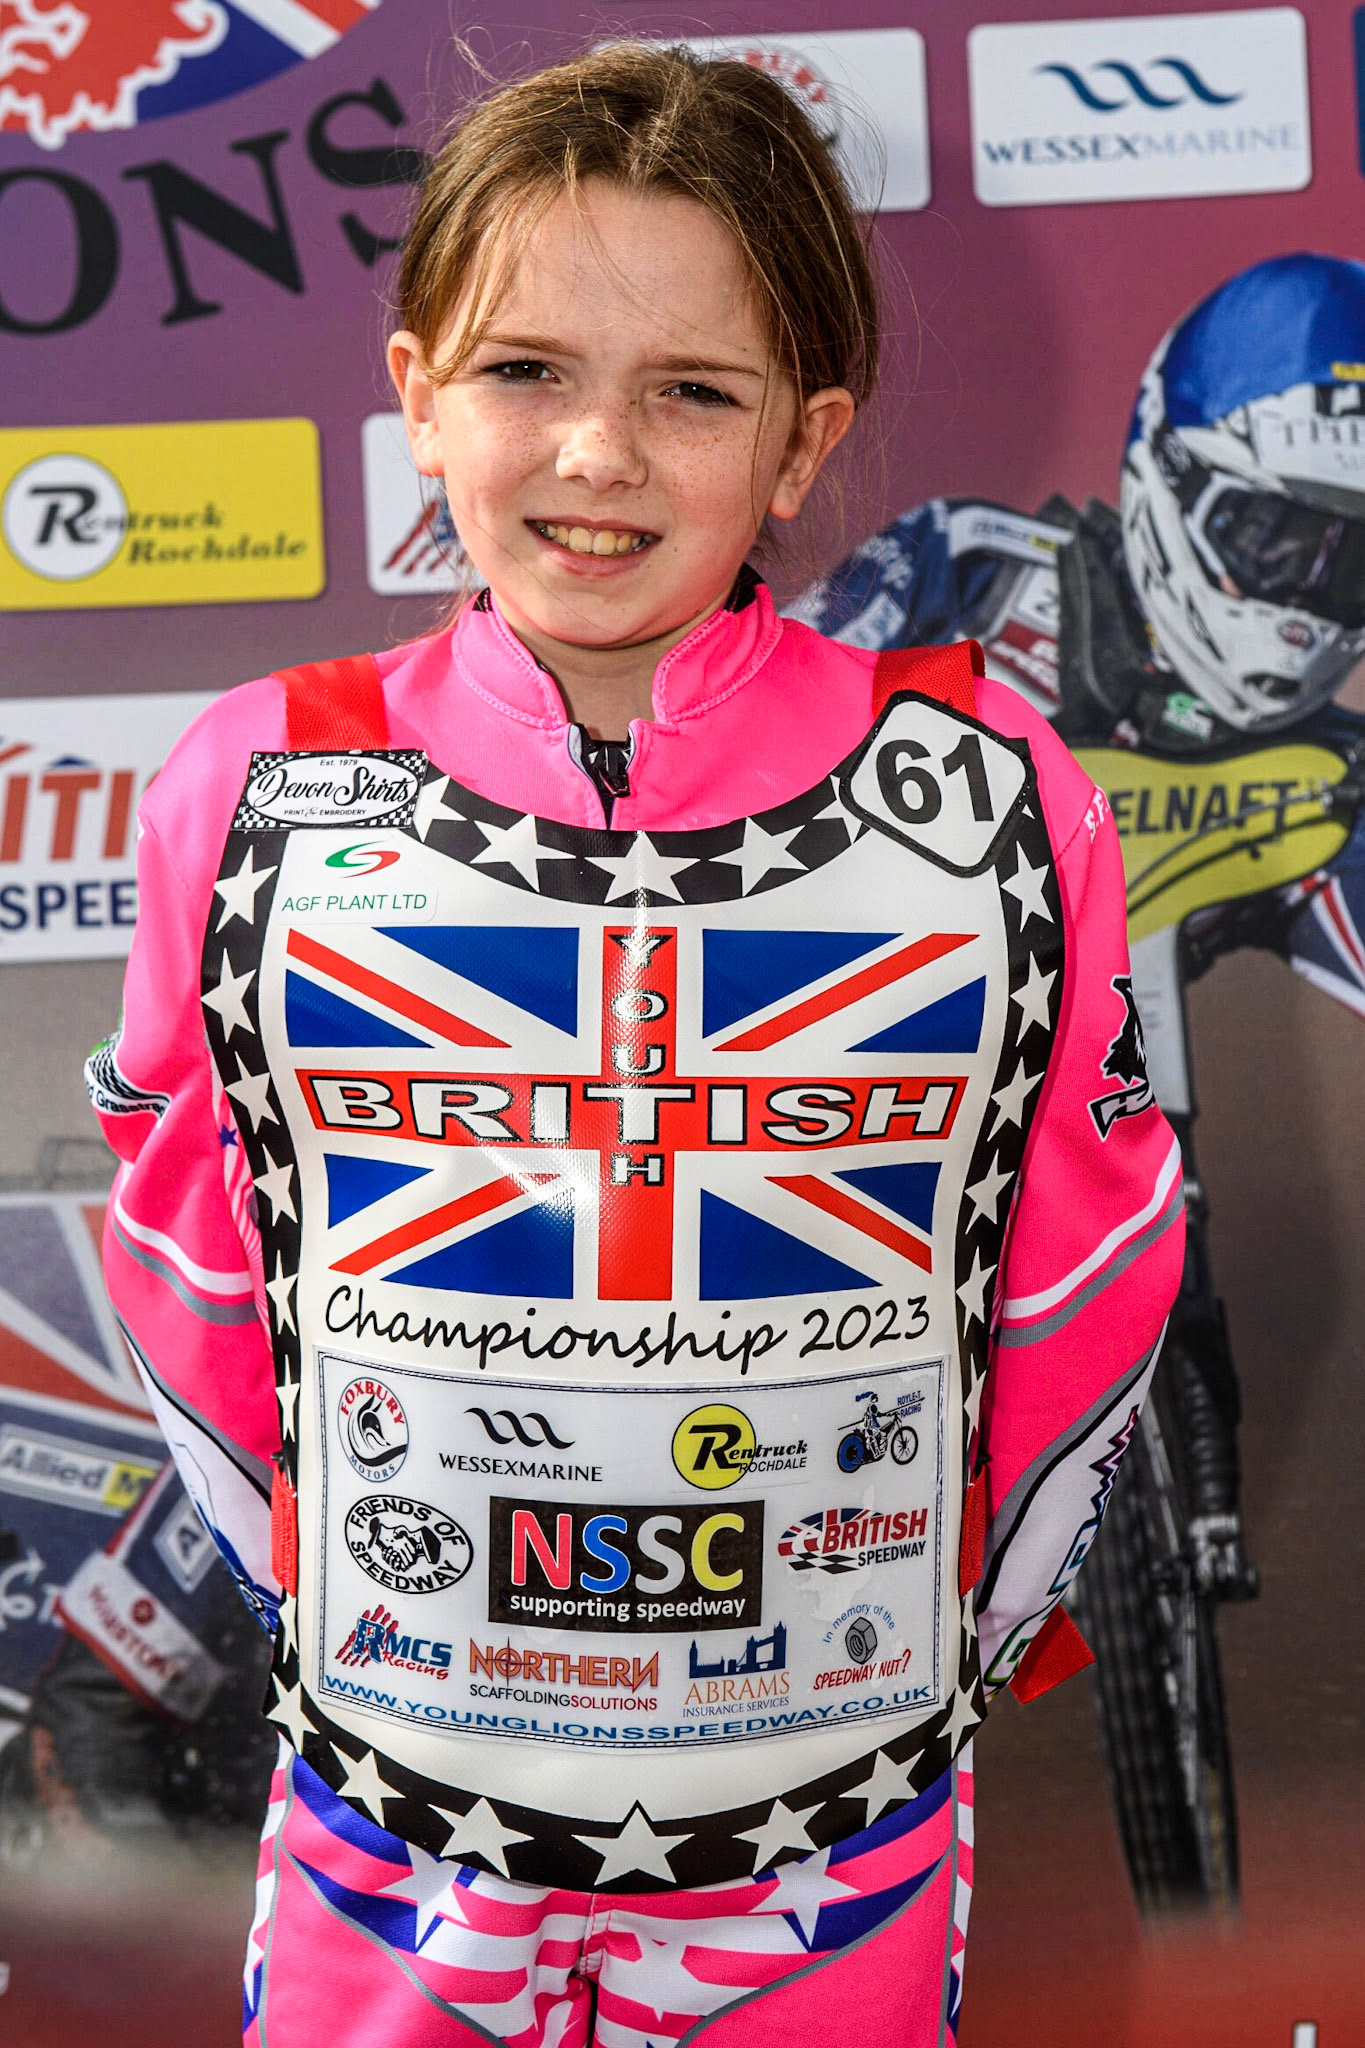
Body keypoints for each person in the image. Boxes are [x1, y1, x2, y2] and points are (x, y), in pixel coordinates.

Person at [88, 44, 1181, 2047]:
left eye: (689, 391)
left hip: (829, 1844)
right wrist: (334, 1613)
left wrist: (958, 1641)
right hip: (392, 1843)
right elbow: (189, 1264)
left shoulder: (991, 791)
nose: (595, 449)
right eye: (523, 370)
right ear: (417, 391)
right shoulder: (249, 786)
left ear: (800, 438)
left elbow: (1085, 1263)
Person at [796, 252, 1365, 1637]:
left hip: (1247, 849)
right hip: (923, 961)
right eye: (1272, 539)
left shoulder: (1338, 761)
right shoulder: (971, 572)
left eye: (1351, 557)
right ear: (1164, 477)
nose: (1305, 599)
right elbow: (764, 730)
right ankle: (181, 1627)